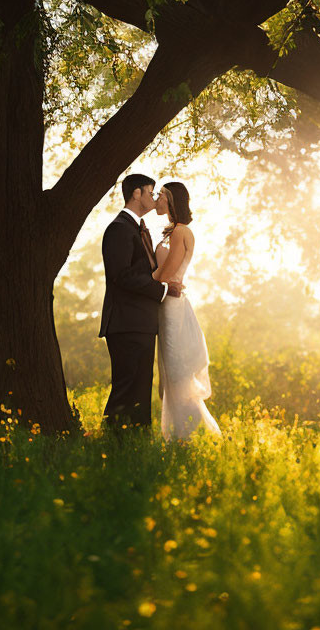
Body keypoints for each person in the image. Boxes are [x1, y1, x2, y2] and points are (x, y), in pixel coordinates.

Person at [98, 174, 181, 433]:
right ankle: (113, 443)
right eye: (150, 191)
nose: (153, 197)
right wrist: (163, 289)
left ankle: (138, 442)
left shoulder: (139, 228)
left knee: (141, 387)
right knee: (126, 387)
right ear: (136, 194)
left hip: (140, 323)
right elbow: (121, 275)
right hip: (126, 322)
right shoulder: (119, 228)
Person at [152, 182, 221, 441]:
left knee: (177, 373)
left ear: (170, 200)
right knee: (170, 374)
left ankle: (188, 435)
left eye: (159, 195)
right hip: (166, 304)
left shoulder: (181, 232)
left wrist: (140, 278)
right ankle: (179, 435)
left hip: (172, 308)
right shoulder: (173, 232)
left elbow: (167, 274)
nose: (156, 199)